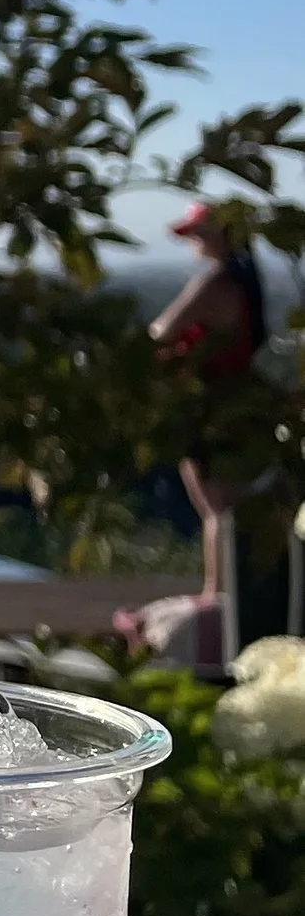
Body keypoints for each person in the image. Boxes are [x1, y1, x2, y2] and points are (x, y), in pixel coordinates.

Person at [151, 201, 270, 646]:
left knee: (215, 504)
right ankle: (224, 591)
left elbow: (162, 329)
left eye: (202, 234)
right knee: (228, 501)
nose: (197, 244)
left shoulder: (215, 281)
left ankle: (215, 593)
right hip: (240, 396)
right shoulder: (246, 283)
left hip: (210, 398)